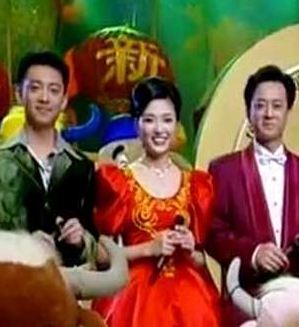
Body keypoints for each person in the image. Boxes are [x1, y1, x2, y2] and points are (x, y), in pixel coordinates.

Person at [92, 77, 220, 327]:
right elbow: (101, 255)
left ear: (177, 125)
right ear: (137, 124)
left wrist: (191, 249)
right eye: (150, 120)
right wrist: (148, 249)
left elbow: (205, 260)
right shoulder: (119, 181)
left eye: (167, 120)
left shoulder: (196, 184)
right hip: (134, 296)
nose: (159, 129)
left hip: (190, 295)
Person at [205, 65, 299, 327]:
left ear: (288, 112)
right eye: (260, 105)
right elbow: (212, 235)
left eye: (277, 106)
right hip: (245, 302)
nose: (269, 114)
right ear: (248, 111)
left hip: (298, 307)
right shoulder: (223, 169)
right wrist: (253, 253)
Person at [0, 51, 97, 267]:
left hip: (60, 282)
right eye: (35, 88)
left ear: (63, 100)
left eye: (54, 90)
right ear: (19, 94)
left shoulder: (82, 166)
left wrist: (81, 241)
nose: (44, 98)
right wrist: (21, 245)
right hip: (3, 279)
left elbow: (92, 241)